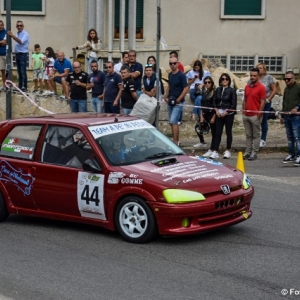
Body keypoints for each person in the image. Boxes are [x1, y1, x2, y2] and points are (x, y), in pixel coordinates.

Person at [210, 73, 237, 159]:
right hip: (219, 113)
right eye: (222, 79)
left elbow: (233, 103)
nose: (224, 80)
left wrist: (227, 112)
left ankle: (228, 150)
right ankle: (215, 151)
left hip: (228, 114)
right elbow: (214, 101)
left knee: (228, 132)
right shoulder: (217, 90)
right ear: (220, 81)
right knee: (218, 132)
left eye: (226, 79)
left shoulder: (232, 90)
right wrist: (216, 110)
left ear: (229, 80)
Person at [242, 68, 266, 161]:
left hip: (255, 115)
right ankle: (247, 152)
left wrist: (259, 115)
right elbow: (245, 100)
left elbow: (263, 102)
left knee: (256, 135)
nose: (252, 77)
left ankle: (254, 152)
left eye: (254, 75)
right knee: (248, 135)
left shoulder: (261, 88)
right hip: (246, 115)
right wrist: (244, 112)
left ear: (258, 76)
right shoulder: (247, 86)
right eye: (251, 75)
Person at [164, 57, 189, 146]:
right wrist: (166, 96)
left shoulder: (181, 75)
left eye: (174, 63)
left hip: (178, 103)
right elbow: (169, 86)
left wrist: (179, 99)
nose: (173, 65)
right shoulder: (170, 74)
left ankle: (175, 142)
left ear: (177, 64)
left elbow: (186, 88)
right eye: (171, 63)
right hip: (170, 101)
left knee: (174, 121)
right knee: (172, 122)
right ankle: (176, 140)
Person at [280, 71, 300, 166]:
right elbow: (284, 103)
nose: (286, 81)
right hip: (287, 116)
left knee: (297, 137)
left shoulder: (298, 88)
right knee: (289, 137)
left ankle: (299, 155)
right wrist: (282, 116)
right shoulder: (286, 89)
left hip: (296, 117)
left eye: (288, 79)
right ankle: (292, 154)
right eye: (285, 79)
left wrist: (296, 108)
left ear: (293, 78)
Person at [256, 63, 277, 147]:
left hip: (265, 103)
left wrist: (268, 100)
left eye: (261, 68)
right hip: (256, 103)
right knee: (256, 120)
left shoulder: (269, 78)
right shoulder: (255, 78)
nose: (259, 69)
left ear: (264, 69)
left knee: (263, 120)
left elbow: (274, 90)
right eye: (258, 68)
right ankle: (256, 138)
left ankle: (263, 139)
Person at [7, 20, 29, 92]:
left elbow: (20, 41)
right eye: (18, 26)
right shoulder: (18, 34)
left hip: (23, 54)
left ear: (23, 26)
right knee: (19, 72)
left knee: (23, 71)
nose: (19, 27)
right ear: (16, 27)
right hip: (17, 54)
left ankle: (24, 87)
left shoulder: (25, 34)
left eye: (20, 25)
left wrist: (12, 36)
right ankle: (20, 87)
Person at [196, 76, 216, 153]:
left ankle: (212, 148)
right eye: (205, 82)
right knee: (198, 127)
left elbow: (215, 105)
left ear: (212, 83)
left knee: (214, 133)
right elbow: (202, 105)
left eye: (209, 82)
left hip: (212, 113)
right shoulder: (205, 92)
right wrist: (201, 116)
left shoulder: (214, 92)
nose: (207, 84)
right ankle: (202, 142)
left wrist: (214, 117)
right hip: (205, 113)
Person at [0, 20, 6, 91]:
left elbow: (5, 42)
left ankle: (11, 84)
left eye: (1, 25)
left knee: (9, 70)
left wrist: (2, 42)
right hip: (0, 55)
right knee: (2, 71)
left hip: (6, 54)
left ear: (3, 25)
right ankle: (4, 85)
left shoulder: (6, 32)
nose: (0, 26)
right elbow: (2, 42)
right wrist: (1, 42)